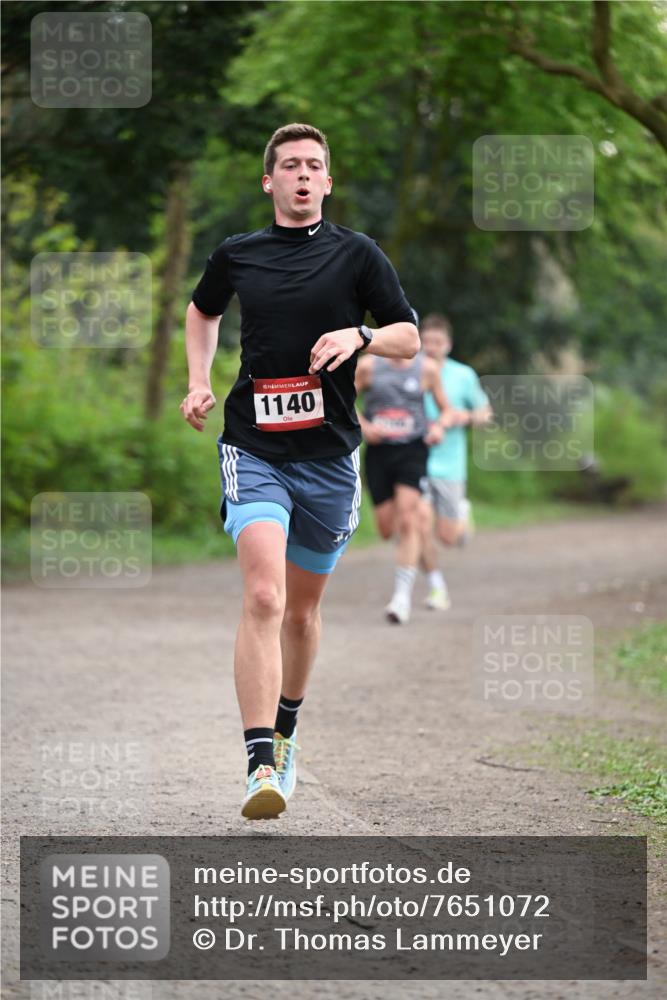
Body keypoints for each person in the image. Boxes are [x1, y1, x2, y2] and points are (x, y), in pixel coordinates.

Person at [181, 123, 419, 819]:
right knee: (263, 596)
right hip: (253, 447)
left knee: (303, 611)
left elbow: (405, 334)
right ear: (270, 182)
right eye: (290, 166)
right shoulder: (239, 254)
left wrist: (361, 333)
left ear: (327, 181)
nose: (303, 175)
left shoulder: (357, 255)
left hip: (329, 459)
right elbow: (201, 311)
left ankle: (286, 729)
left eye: (315, 165)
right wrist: (198, 380)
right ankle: (259, 760)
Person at [355, 343, 450, 625]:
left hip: (413, 450)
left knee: (409, 520)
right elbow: (342, 399)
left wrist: (438, 427)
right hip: (379, 453)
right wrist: (365, 427)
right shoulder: (368, 366)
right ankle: (434, 577)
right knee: (388, 529)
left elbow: (446, 410)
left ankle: (401, 598)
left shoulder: (428, 368)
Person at [418, 313, 492, 610]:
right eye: (427, 340)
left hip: (450, 465)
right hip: (416, 461)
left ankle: (461, 515)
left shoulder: (463, 375)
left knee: (448, 538)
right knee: (417, 524)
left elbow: (485, 413)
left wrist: (468, 417)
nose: (431, 346)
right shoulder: (412, 371)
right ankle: (436, 587)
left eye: (438, 342)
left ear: (448, 345)